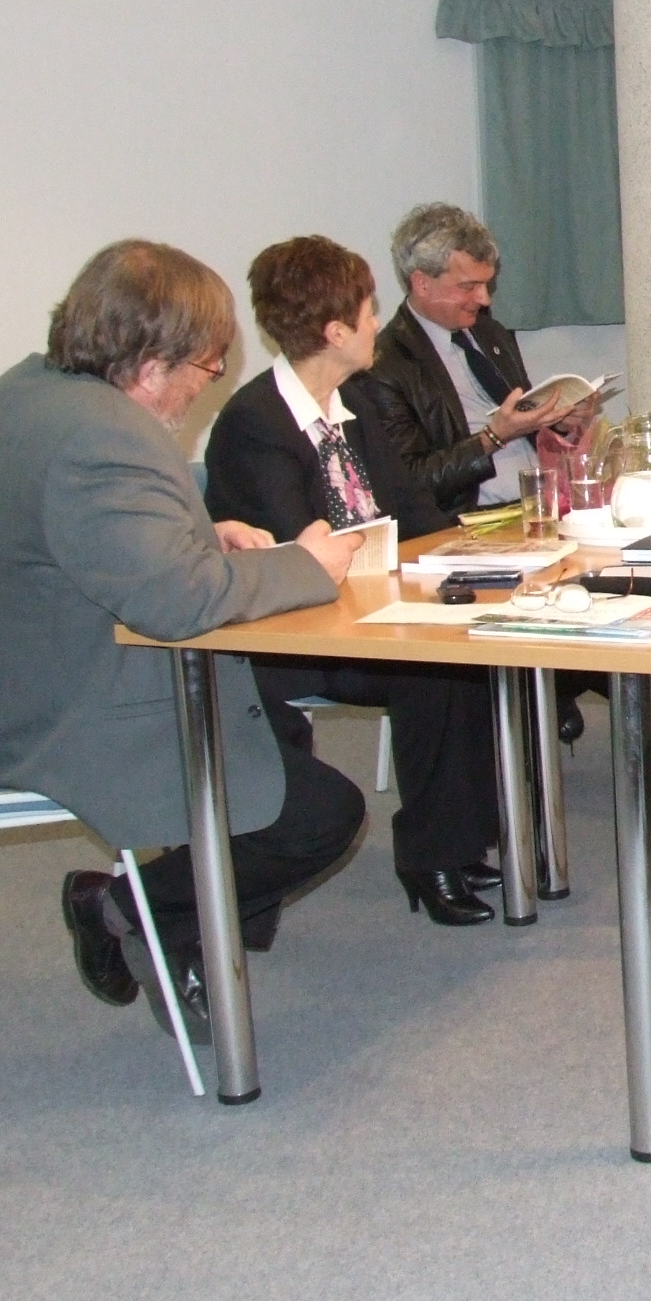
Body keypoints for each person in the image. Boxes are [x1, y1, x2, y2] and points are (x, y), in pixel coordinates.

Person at [0, 241, 360, 1040]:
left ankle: (188, 929)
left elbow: (91, 541)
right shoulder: (103, 438)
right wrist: (309, 565)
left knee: (275, 730)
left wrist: (201, 535)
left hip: (22, 678)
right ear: (154, 363)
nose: (206, 387)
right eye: (206, 368)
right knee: (318, 814)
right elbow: (176, 601)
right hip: (58, 714)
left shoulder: (28, 391)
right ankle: (124, 908)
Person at [203, 236, 509, 928]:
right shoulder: (255, 424)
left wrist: (471, 558)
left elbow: (412, 510)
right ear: (336, 331)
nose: (379, 323)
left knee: (470, 645)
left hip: (369, 608)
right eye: (370, 312)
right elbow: (306, 551)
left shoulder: (354, 404)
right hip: (291, 635)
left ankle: (457, 845)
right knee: (432, 668)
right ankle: (431, 858)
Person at [359, 203, 586, 522]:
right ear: (422, 283)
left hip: (538, 505)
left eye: (487, 284)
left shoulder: (491, 334)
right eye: (468, 287)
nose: (484, 299)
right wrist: (493, 438)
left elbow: (522, 421)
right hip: (471, 522)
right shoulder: (386, 365)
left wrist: (559, 421)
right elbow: (410, 482)